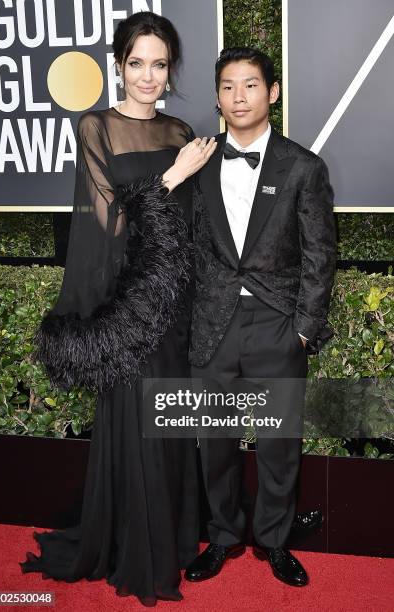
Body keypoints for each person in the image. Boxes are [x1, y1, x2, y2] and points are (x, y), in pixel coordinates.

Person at [19, 12, 216, 607]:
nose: (148, 77)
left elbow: (193, 229)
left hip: (176, 301)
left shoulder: (182, 131)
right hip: (131, 307)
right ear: (119, 65)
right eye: (137, 64)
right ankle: (140, 551)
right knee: (138, 422)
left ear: (170, 69)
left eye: (159, 65)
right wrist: (173, 178)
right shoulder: (97, 127)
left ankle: (178, 540)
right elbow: (112, 224)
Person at [185, 47, 336, 587]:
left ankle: (274, 540)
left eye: (250, 85)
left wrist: (303, 328)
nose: (238, 96)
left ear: (272, 92)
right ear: (218, 97)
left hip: (277, 325)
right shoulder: (197, 163)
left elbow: (321, 254)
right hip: (214, 326)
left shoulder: (303, 167)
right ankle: (223, 535)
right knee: (216, 441)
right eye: (227, 87)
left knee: (278, 444)